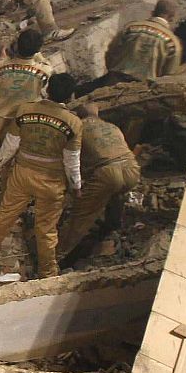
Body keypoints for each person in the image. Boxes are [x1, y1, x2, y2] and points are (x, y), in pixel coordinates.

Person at [0, 72, 82, 279]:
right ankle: (48, 272)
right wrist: (76, 185)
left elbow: (11, 142)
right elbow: (72, 159)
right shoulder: (73, 123)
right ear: (70, 96)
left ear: (47, 89)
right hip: (51, 182)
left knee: (4, 214)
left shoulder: (25, 110)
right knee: (46, 229)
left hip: (21, 174)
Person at [58, 105, 142, 263]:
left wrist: (73, 187)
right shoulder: (112, 127)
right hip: (132, 169)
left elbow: (72, 161)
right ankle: (112, 224)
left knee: (82, 214)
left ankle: (59, 255)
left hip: (108, 173)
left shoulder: (77, 129)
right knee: (116, 192)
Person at [0, 28, 52, 208]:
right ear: (37, 50)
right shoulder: (44, 70)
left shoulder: (0, 66)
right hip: (23, 123)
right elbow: (45, 67)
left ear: (17, 45)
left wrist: (4, 56)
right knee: (12, 164)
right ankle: (5, 203)